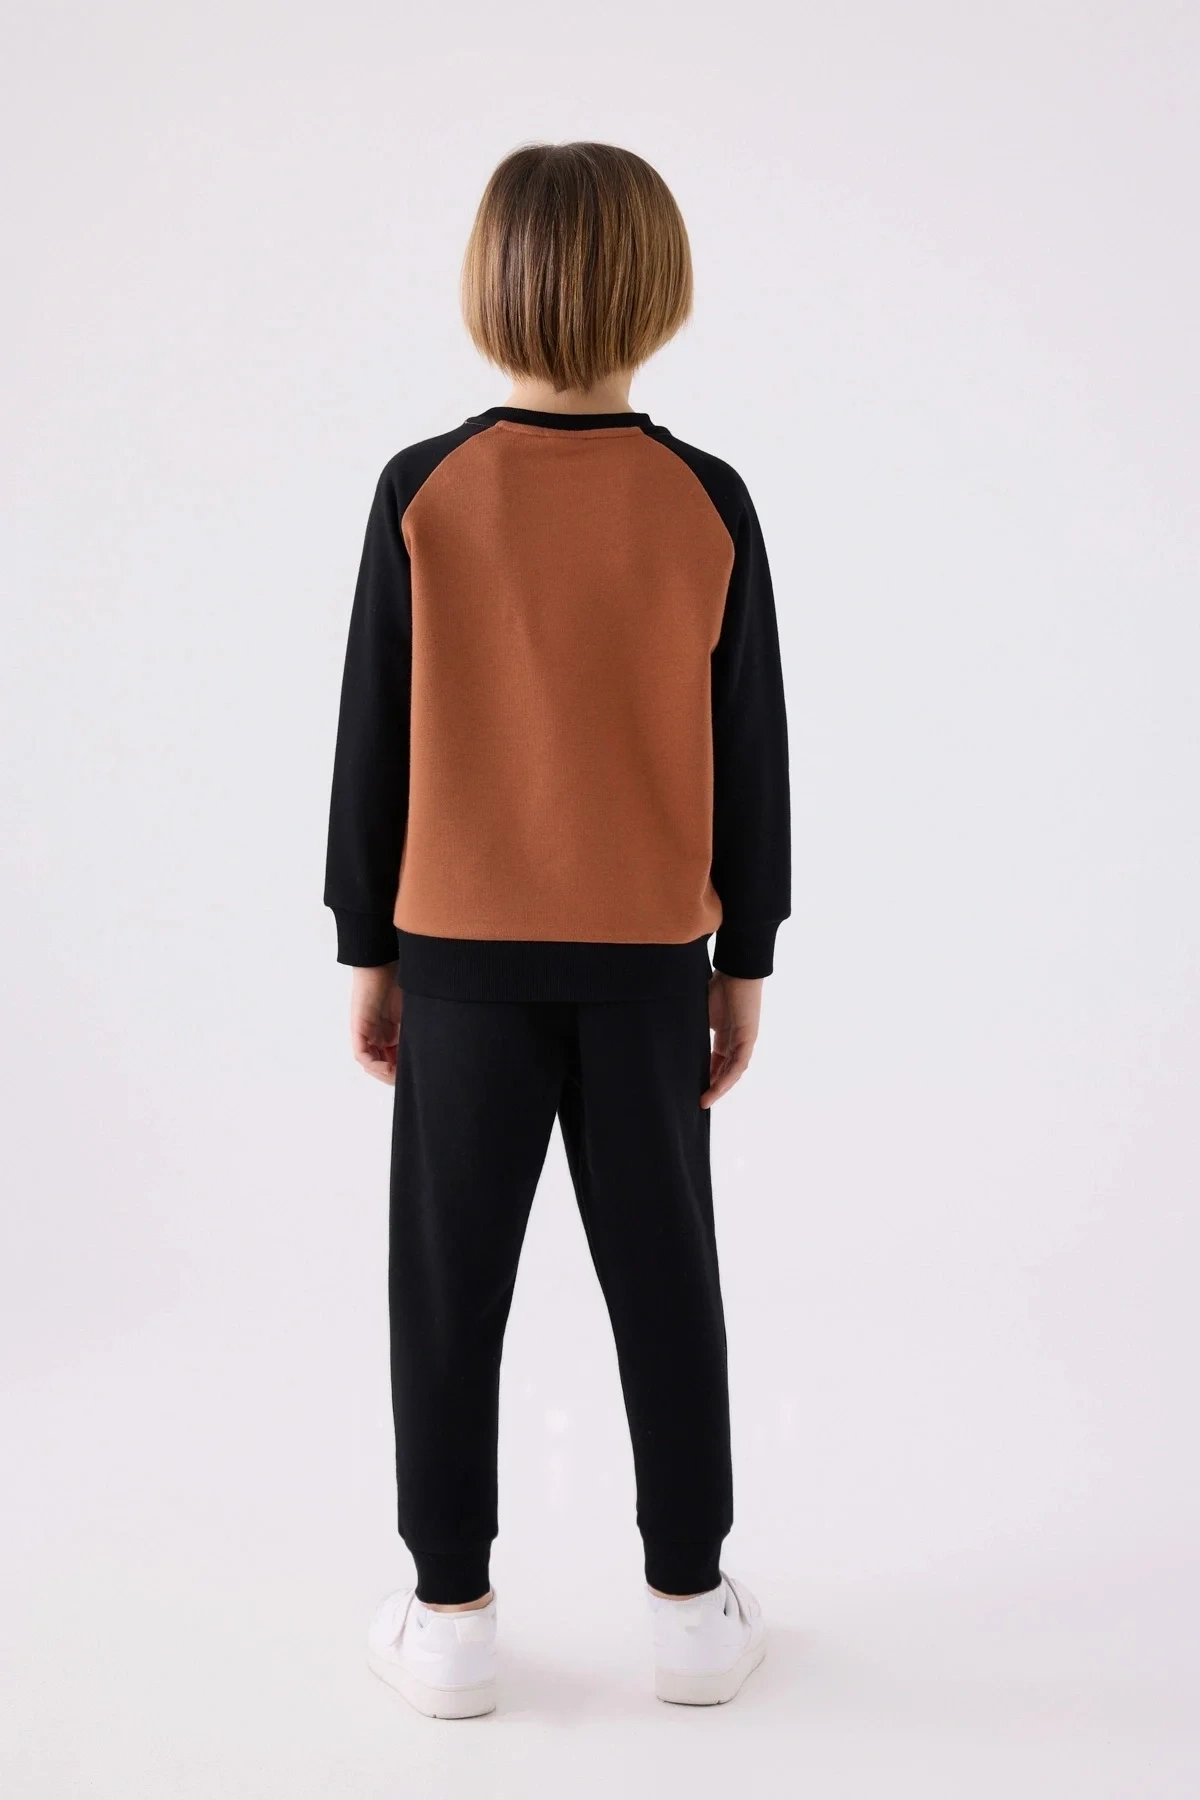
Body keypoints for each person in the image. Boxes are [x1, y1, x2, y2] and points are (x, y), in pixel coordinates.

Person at [324, 140, 790, 1718]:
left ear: (491, 284)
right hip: (650, 963)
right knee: (668, 1280)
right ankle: (692, 1610)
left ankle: (450, 1614)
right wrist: (746, 957)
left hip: (458, 961)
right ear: (660, 288)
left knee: (446, 1287)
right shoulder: (706, 498)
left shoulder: (423, 489)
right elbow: (752, 751)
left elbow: (371, 740)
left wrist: (367, 946)